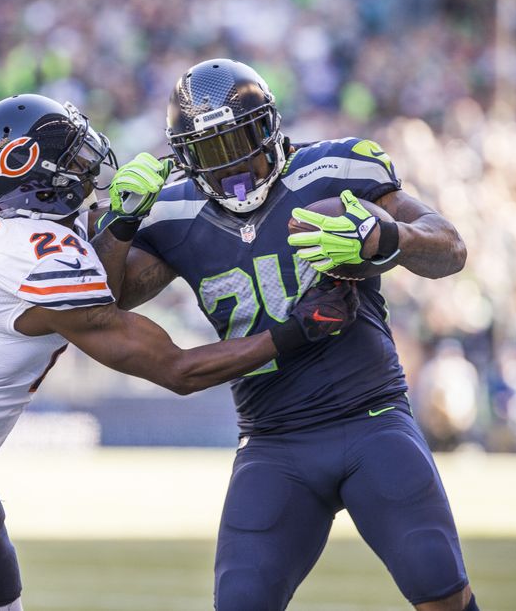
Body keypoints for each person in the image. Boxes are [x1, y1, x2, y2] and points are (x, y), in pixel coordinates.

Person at [0, 93, 357, 611]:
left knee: (6, 600)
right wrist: (295, 331)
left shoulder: (6, 222)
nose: (90, 160)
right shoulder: (40, 263)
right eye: (72, 157)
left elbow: (92, 272)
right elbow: (177, 370)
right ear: (31, 177)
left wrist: (125, 221)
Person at [93, 59, 479, 611]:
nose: (230, 168)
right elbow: (106, 302)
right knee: (242, 602)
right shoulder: (173, 212)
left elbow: (450, 247)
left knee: (440, 589)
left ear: (271, 128)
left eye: (241, 142)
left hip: (370, 418)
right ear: (183, 157)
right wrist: (121, 220)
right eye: (209, 152)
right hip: (273, 440)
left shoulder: (335, 171)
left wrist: (384, 234)